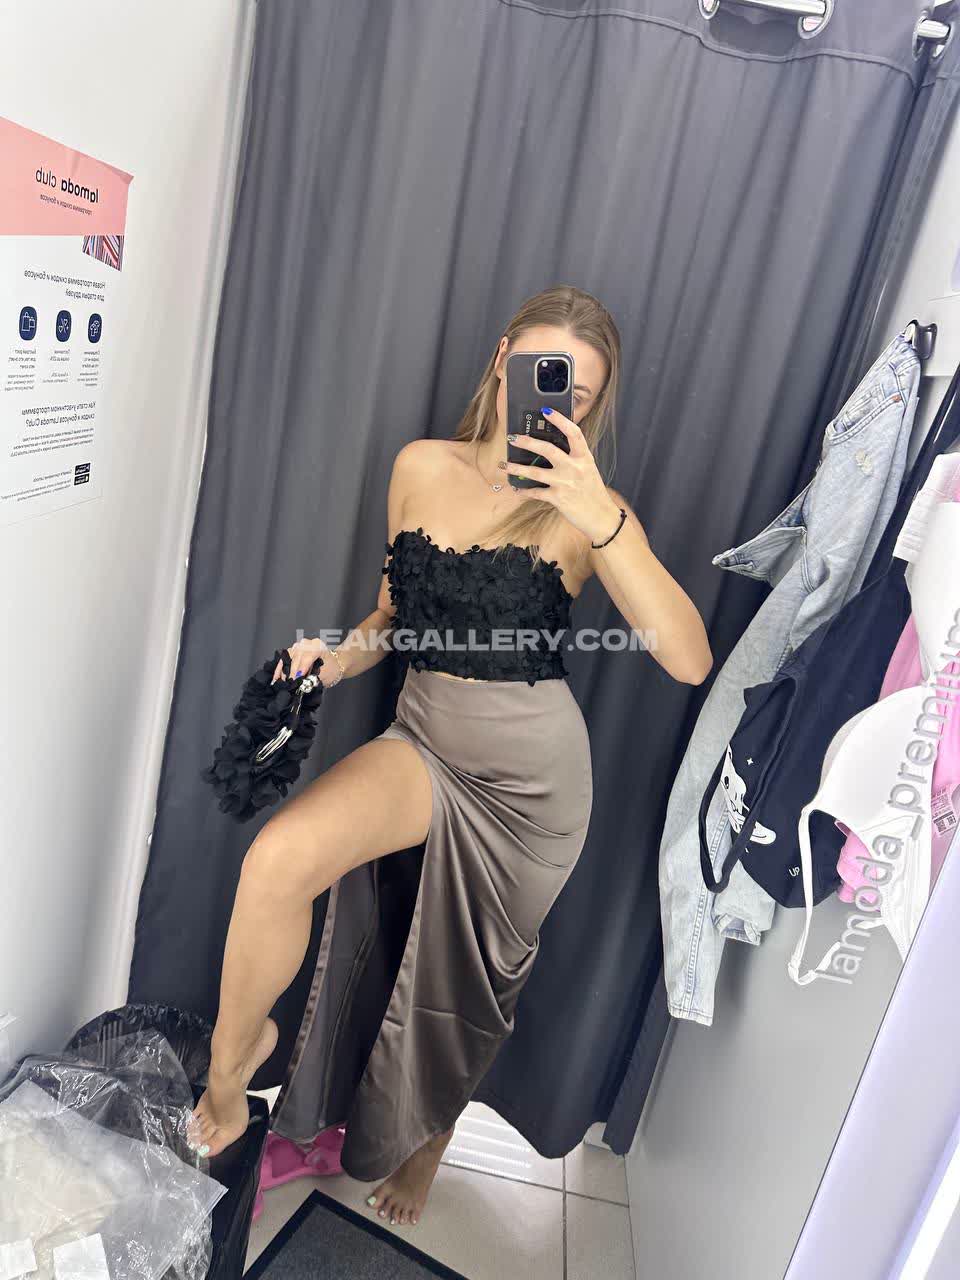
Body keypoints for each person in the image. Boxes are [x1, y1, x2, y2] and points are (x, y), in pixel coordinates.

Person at [190, 285, 712, 1226]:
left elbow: (687, 658)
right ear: (504, 360)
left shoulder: (588, 514)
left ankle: (429, 1143)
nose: (554, 401)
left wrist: (596, 511)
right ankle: (230, 1082)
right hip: (425, 739)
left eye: (578, 394)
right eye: (542, 373)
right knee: (278, 861)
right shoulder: (420, 466)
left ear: (595, 406)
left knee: (470, 987)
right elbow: (392, 620)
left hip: (531, 787)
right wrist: (328, 658)